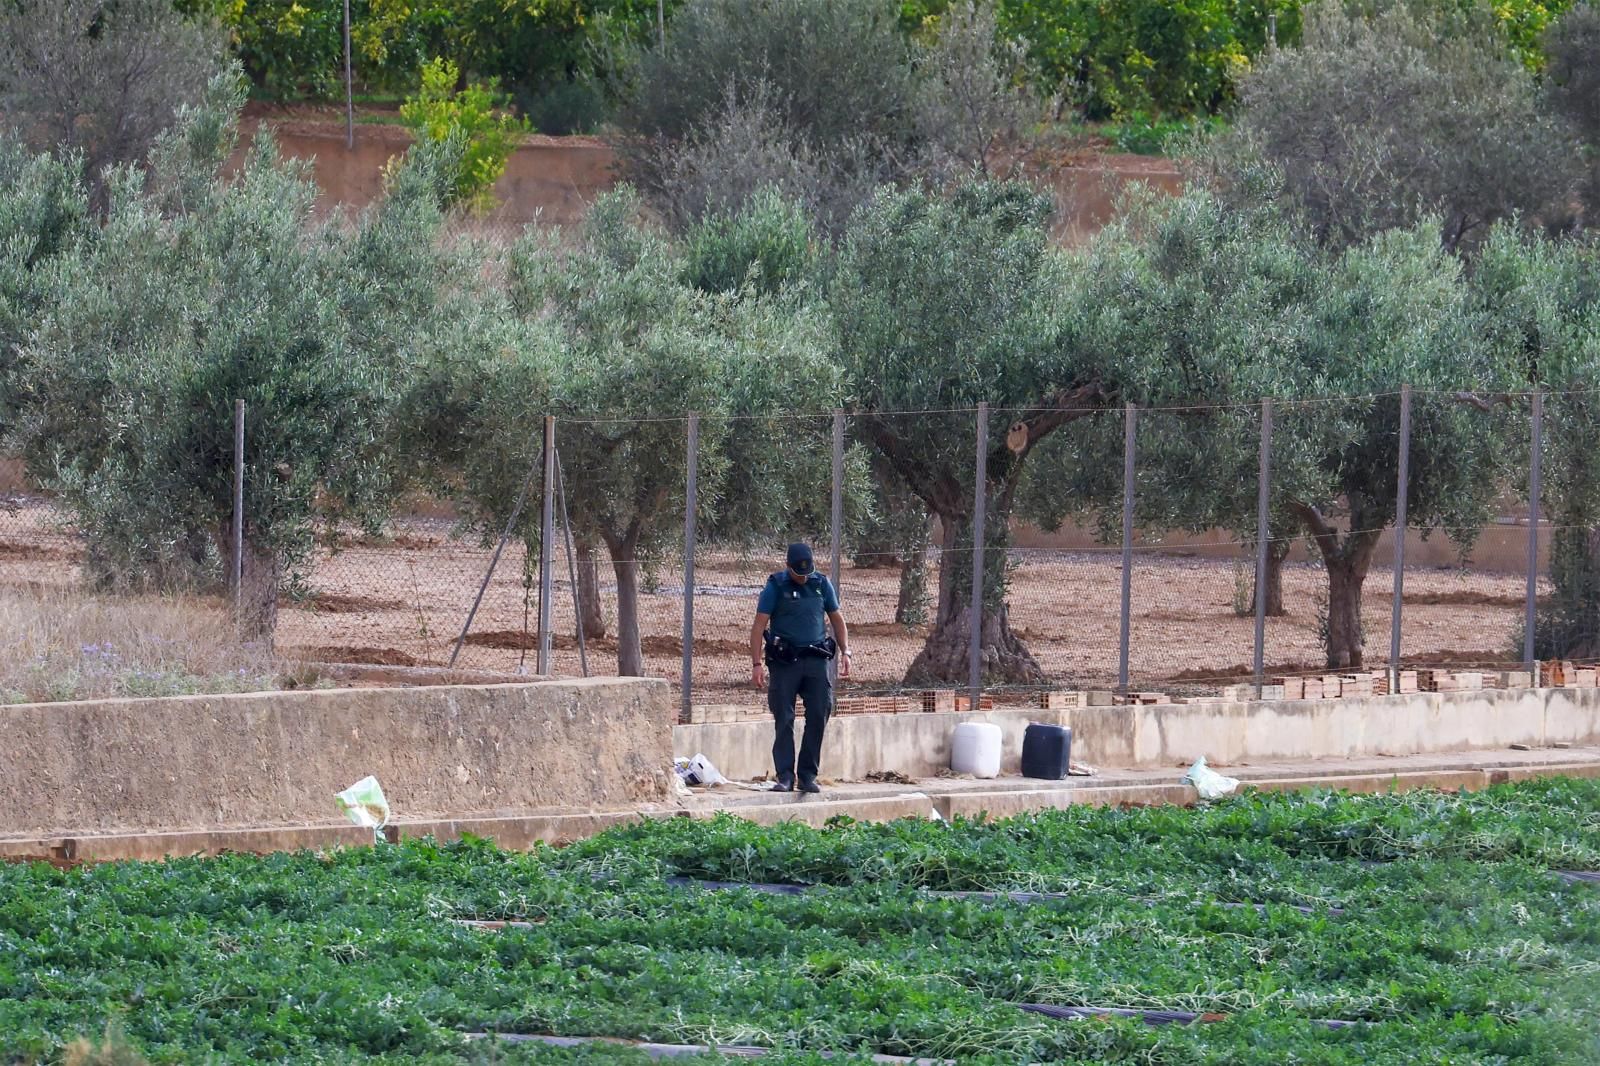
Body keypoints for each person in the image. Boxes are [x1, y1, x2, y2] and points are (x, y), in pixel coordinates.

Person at [750, 542, 850, 793]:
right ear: (788, 566)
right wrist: (756, 664)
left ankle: (807, 775)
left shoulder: (821, 584)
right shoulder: (775, 587)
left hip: (816, 661)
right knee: (784, 717)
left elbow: (837, 619)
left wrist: (846, 650)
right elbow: (758, 626)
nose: (803, 577)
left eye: (806, 572)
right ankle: (785, 775)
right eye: (798, 573)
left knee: (819, 712)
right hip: (785, 663)